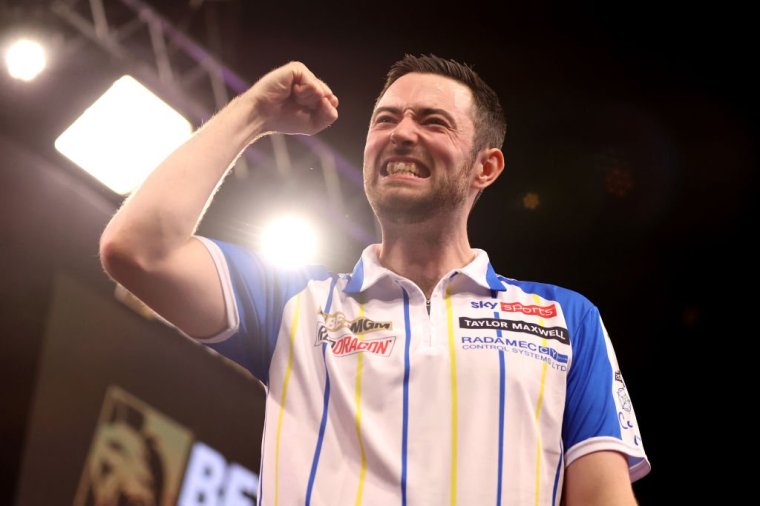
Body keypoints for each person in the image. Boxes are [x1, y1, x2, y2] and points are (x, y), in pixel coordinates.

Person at [100, 55, 650, 505]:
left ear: (486, 167)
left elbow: (604, 498)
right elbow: (138, 250)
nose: (401, 133)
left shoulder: (565, 319)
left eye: (433, 122)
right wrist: (253, 114)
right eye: (385, 120)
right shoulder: (295, 302)